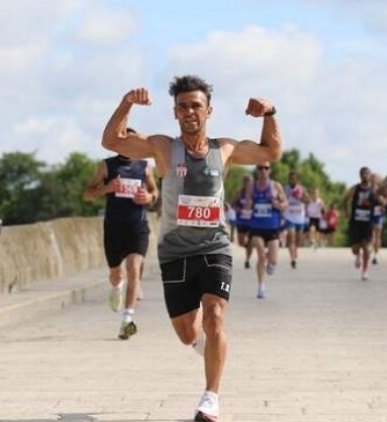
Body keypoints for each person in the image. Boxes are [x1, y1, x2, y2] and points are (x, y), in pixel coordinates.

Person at [100, 75, 281, 422]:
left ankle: (211, 398)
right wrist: (127, 103)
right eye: (182, 106)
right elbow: (111, 141)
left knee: (215, 316)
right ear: (175, 112)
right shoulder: (163, 148)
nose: (189, 111)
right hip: (175, 252)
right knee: (187, 334)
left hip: (215, 247)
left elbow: (271, 151)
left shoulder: (224, 150)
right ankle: (205, 346)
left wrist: (270, 113)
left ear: (208, 110)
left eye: (196, 105)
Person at [83, 127, 159, 340]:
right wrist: (105, 189)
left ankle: (127, 320)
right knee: (117, 274)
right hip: (114, 228)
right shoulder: (106, 166)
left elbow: (154, 191)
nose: (131, 146)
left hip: (138, 227)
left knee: (133, 269)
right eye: (127, 141)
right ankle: (117, 286)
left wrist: (149, 198)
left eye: (135, 142)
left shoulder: (145, 166)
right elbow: (87, 194)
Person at [247, 162, 288, 298]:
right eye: (260, 168)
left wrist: (276, 204)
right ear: (257, 170)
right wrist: (249, 205)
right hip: (256, 227)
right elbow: (247, 205)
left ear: (270, 170)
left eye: (266, 168)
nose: (263, 170)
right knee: (261, 256)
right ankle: (261, 287)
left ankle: (271, 264)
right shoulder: (252, 186)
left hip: (272, 227)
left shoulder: (276, 186)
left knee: (273, 261)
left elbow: (285, 204)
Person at [342, 167, 380, 281]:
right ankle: (358, 255)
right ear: (360, 176)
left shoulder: (374, 190)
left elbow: (382, 202)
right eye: (363, 174)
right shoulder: (355, 188)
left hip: (368, 222)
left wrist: (382, 202)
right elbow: (345, 200)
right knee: (355, 249)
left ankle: (365, 270)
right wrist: (347, 212)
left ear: (370, 175)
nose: (365, 176)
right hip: (356, 222)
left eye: (367, 174)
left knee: (366, 247)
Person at [283, 170, 308, 268]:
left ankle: (295, 251)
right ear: (289, 179)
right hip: (289, 216)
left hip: (300, 217)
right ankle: (292, 259)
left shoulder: (302, 189)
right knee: (291, 237)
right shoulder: (285, 189)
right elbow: (280, 199)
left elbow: (308, 200)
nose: (292, 180)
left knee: (298, 239)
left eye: (294, 179)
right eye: (291, 178)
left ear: (297, 179)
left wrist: (300, 197)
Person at [232, 174, 254, 269]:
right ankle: (247, 246)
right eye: (246, 182)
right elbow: (233, 204)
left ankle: (247, 260)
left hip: (252, 222)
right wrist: (239, 210)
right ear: (244, 183)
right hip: (241, 221)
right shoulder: (239, 193)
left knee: (250, 241)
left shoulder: (255, 193)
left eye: (250, 182)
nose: (248, 184)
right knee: (241, 243)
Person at [370, 173, 385, 265]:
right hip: (369, 214)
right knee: (371, 235)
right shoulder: (367, 189)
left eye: (375, 178)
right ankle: (371, 252)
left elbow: (385, 202)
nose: (373, 180)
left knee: (378, 236)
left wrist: (381, 200)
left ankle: (376, 254)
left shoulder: (381, 190)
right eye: (372, 178)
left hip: (378, 214)